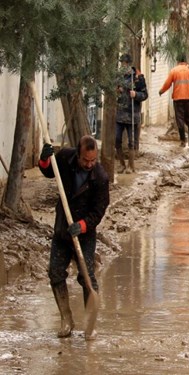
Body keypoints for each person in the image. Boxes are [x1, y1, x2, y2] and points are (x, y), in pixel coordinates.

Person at [38, 135, 110, 340]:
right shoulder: (65, 158)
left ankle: (91, 324)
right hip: (63, 228)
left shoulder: (100, 177)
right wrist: (44, 159)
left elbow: (99, 209)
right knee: (55, 273)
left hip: (85, 233)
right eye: (85, 160)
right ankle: (66, 319)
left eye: (93, 160)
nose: (89, 164)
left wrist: (84, 225)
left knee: (86, 277)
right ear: (78, 154)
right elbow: (48, 171)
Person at [159, 53, 189, 148]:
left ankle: (182, 141)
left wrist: (162, 90)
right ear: (185, 60)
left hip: (178, 99)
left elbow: (167, 83)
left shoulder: (174, 70)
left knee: (180, 120)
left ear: (178, 61)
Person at [116, 53, 148, 174]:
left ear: (129, 64)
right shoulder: (118, 77)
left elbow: (145, 94)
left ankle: (131, 166)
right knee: (117, 139)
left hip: (132, 115)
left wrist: (136, 95)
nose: (122, 66)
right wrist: (117, 91)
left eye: (124, 64)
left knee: (132, 142)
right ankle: (122, 164)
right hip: (120, 115)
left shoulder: (138, 78)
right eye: (121, 64)